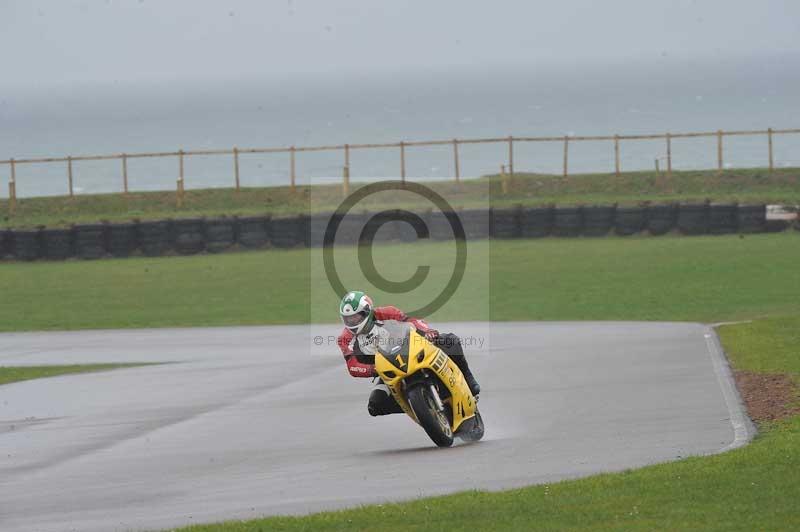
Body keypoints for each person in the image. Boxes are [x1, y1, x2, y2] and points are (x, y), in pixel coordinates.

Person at [337, 290, 480, 417]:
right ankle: (420, 409)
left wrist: (426, 332)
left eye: (355, 317)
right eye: (348, 318)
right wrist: (373, 369)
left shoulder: (386, 312)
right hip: (386, 369)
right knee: (375, 405)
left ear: (366, 311)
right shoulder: (344, 339)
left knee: (450, 341)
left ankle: (468, 377)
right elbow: (353, 366)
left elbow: (411, 320)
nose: (352, 321)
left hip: (408, 350)